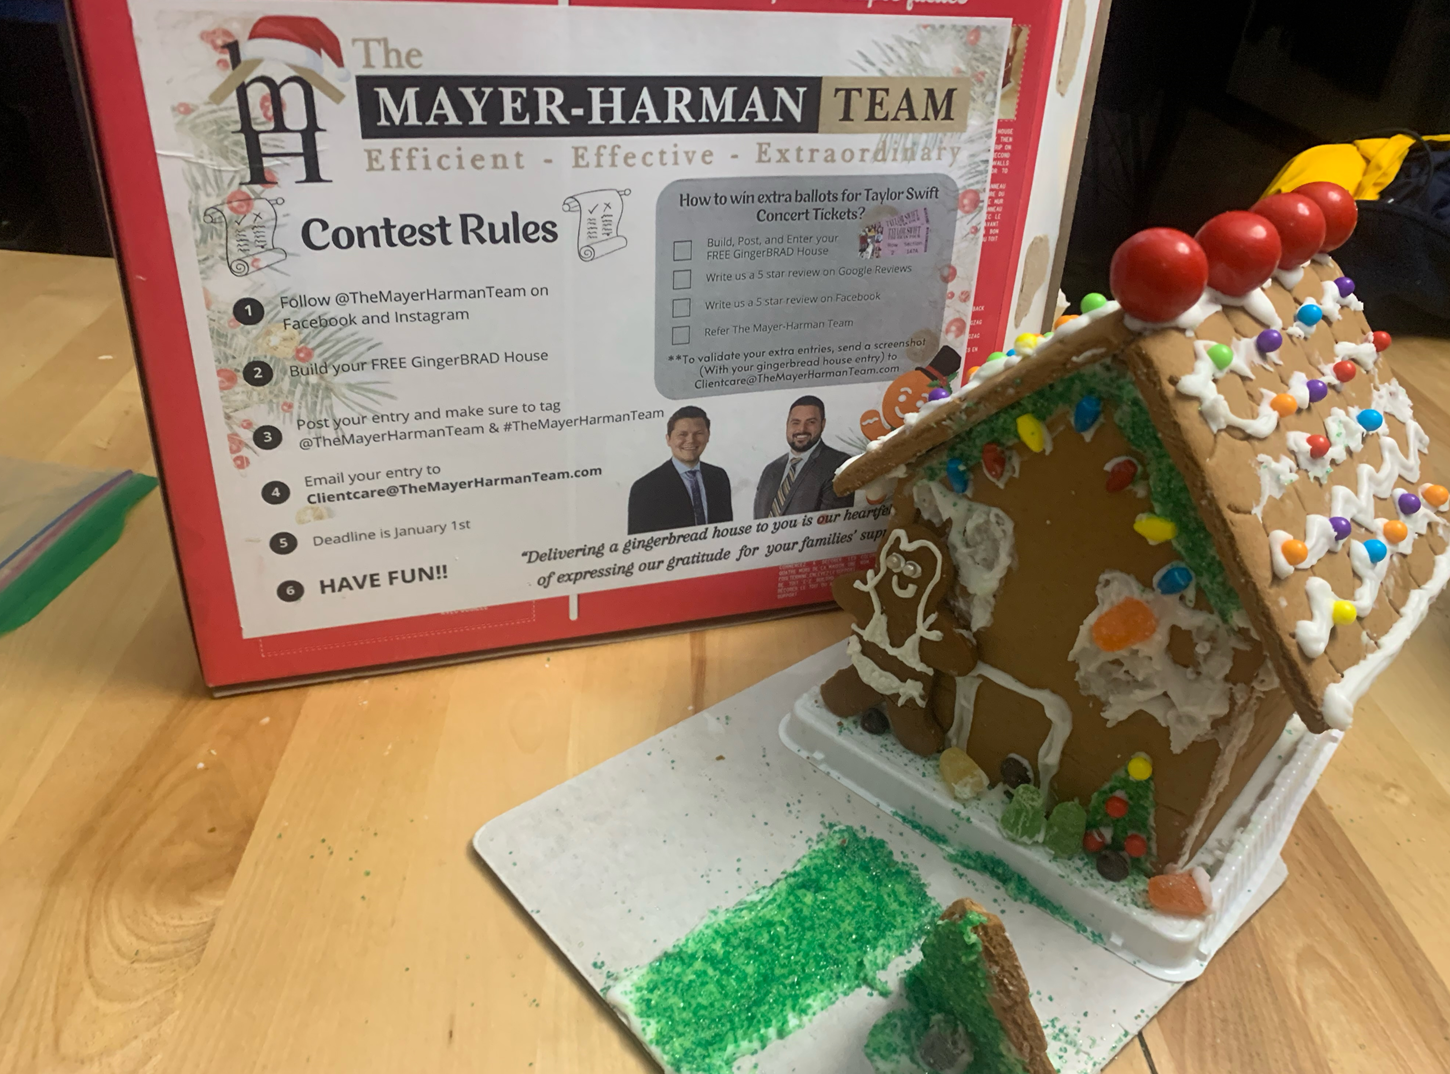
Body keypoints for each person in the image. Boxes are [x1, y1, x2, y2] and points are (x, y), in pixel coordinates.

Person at [627, 406, 733, 534]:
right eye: (682, 434)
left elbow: (726, 532)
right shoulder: (645, 487)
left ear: (708, 436)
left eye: (698, 433)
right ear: (668, 439)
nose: (690, 440)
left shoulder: (718, 477)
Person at [753, 395, 853, 519]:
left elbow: (828, 528)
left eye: (811, 422)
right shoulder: (771, 470)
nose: (801, 429)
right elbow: (758, 523)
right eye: (795, 422)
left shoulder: (839, 465)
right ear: (787, 425)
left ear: (823, 424)